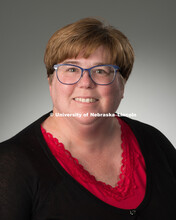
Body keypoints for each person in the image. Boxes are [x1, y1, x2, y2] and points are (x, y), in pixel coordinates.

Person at [0, 17, 176, 220]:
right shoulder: (10, 164)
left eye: (100, 71)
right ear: (51, 83)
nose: (85, 82)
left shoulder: (154, 141)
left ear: (122, 85)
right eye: (71, 69)